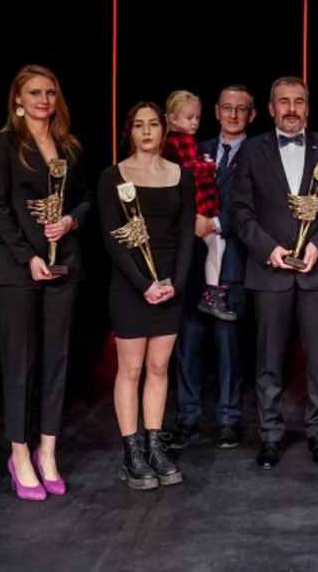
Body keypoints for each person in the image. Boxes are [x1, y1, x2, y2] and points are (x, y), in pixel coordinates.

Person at [231, 76, 318, 469]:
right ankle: (270, 435)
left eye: (299, 101)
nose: (291, 109)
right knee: (268, 359)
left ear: (308, 107)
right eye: (284, 102)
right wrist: (269, 249)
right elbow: (241, 211)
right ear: (270, 109)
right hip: (270, 271)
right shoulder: (252, 150)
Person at [0, 64, 91, 501]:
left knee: (56, 361)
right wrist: (27, 256)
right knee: (20, 363)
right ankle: (19, 455)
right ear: (18, 99)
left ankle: (47, 452)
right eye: (34, 93)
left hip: (64, 266)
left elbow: (85, 198)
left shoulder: (68, 145)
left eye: (49, 92)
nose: (43, 100)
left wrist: (70, 221)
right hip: (18, 269)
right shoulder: (5, 143)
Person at [98, 102, 195, 489]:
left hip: (169, 285)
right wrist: (144, 285)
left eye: (153, 124)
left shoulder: (180, 175)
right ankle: (132, 452)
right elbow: (112, 239)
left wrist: (176, 284)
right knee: (131, 369)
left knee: (158, 367)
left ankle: (155, 447)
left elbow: (186, 235)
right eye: (139, 125)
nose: (146, 131)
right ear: (130, 131)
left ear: (164, 129)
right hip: (130, 286)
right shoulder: (114, 176)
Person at [169, 85, 256, 450]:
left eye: (241, 109)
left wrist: (215, 224)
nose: (233, 115)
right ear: (217, 111)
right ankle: (187, 418)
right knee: (187, 343)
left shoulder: (259, 153)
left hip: (232, 261)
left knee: (229, 346)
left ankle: (229, 419)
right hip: (189, 262)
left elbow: (258, 206)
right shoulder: (191, 146)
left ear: (252, 115)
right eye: (227, 108)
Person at [162, 90, 230, 320]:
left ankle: (208, 292)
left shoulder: (170, 140)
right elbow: (190, 169)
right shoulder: (183, 140)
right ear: (173, 119)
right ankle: (212, 293)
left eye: (197, 118)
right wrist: (209, 165)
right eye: (189, 117)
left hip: (190, 200)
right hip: (197, 202)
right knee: (217, 243)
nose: (194, 122)